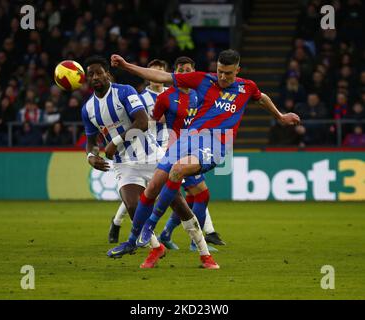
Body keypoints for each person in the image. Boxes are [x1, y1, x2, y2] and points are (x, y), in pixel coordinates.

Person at [107, 49, 300, 268]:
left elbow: (261, 98)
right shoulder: (204, 79)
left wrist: (281, 116)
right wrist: (126, 66)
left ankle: (152, 226)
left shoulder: (247, 87)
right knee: (152, 187)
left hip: (216, 143)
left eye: (228, 73)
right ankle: (132, 241)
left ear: (238, 70)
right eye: (220, 71)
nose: (223, 77)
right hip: (186, 140)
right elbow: (162, 77)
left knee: (179, 172)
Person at [81, 55, 168, 269]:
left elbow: (142, 122)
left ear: (107, 74)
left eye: (99, 72)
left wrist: (114, 143)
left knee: (178, 203)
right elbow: (91, 142)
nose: (95, 77)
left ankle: (202, 247)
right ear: (86, 79)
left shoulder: (125, 91)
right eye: (90, 74)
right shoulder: (87, 109)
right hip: (124, 163)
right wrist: (91, 157)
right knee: (132, 205)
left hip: (151, 156)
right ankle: (156, 247)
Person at [152, 56, 224, 251]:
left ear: (194, 71)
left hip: (196, 148)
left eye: (187, 70)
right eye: (180, 70)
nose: (184, 73)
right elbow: (153, 120)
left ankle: (165, 234)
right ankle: (195, 242)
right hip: (177, 150)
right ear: (175, 72)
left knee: (192, 197)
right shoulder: (167, 96)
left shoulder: (198, 94)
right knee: (202, 195)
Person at [108, 59, 169, 244]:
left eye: (160, 72)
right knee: (145, 193)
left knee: (166, 191)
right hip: (146, 149)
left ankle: (165, 234)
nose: (156, 78)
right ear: (147, 75)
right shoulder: (141, 97)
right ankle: (120, 222)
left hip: (169, 145)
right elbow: (140, 121)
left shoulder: (172, 94)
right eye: (153, 73)